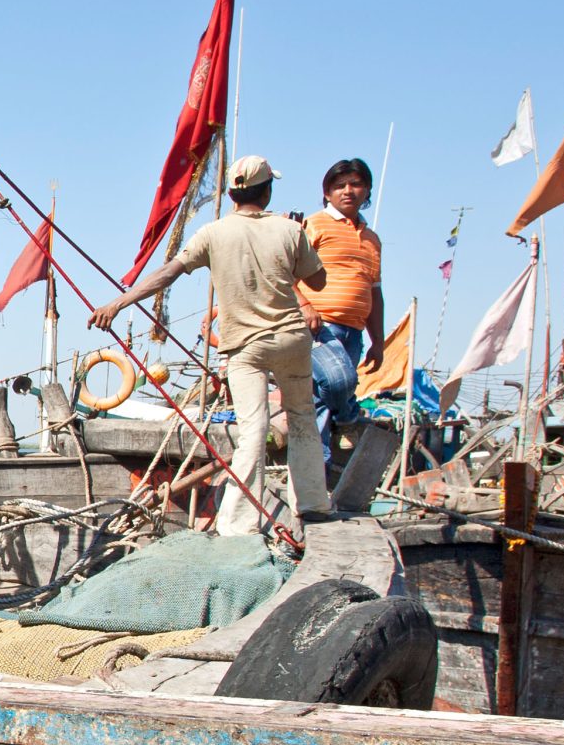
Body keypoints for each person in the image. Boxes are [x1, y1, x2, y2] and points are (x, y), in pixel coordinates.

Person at [89, 155, 334, 536]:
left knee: (254, 430)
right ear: (267, 191)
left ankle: (238, 524)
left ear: (232, 194)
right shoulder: (289, 229)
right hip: (290, 338)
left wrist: (117, 304)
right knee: (303, 418)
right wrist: (300, 240)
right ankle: (314, 504)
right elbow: (317, 284)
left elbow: (167, 273)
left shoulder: (213, 232)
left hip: (244, 346)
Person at [301, 157, 385, 443]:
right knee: (340, 382)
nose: (348, 190)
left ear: (367, 190)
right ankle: (348, 416)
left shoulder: (372, 239)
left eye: (356, 184)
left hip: (354, 330)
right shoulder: (313, 225)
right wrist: (304, 306)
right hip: (319, 326)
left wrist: (379, 342)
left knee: (321, 401)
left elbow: (374, 290)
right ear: (327, 193)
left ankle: (320, 473)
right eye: (340, 186)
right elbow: (282, 272)